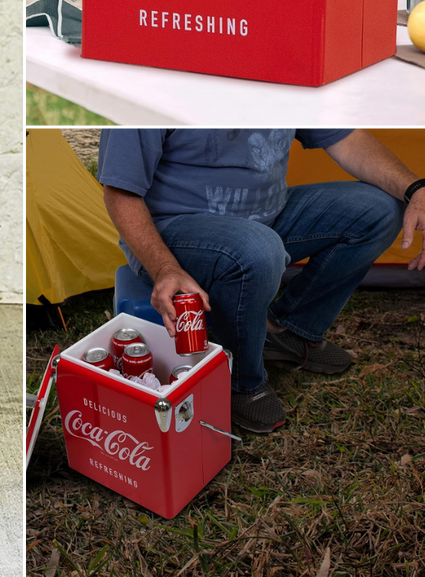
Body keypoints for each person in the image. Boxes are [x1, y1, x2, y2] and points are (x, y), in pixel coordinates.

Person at [98, 128, 425, 434]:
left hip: (267, 219)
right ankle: (241, 381)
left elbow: (347, 139)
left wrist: (416, 190)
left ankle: (289, 331)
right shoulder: (151, 83)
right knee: (258, 249)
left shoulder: (284, 75)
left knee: (380, 209)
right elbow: (119, 193)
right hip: (172, 231)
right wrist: (163, 268)